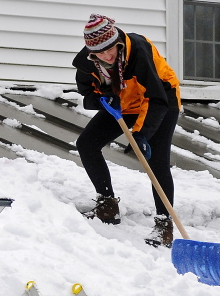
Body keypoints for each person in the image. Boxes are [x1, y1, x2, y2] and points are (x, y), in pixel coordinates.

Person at [73, 14, 181, 247]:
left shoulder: (138, 51)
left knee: (156, 160)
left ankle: (164, 225)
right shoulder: (86, 62)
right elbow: (88, 93)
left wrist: (141, 135)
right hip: (123, 101)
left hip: (160, 98)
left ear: (118, 42)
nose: (106, 56)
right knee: (87, 144)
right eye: (99, 54)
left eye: (110, 50)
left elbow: (156, 97)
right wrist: (104, 99)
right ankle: (108, 206)